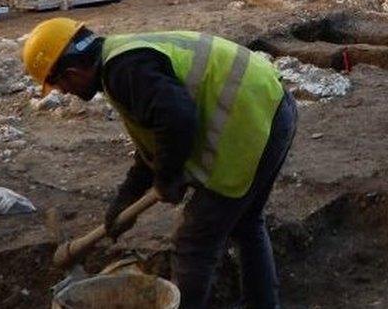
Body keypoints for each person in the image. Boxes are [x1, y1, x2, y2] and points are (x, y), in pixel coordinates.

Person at [22, 18, 297, 309]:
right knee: (247, 222)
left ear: (72, 72)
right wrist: (127, 197)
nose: (64, 92)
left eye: (59, 84)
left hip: (249, 125)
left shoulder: (125, 71)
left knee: (193, 242)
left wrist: (167, 177)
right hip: (272, 105)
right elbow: (155, 137)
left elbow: (177, 118)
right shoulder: (122, 61)